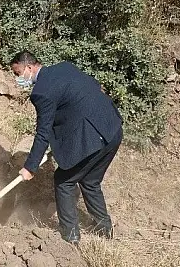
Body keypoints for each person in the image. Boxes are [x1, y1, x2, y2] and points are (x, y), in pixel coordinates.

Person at [10, 50, 123, 244]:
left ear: (29, 67)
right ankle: (105, 231)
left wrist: (30, 167)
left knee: (64, 180)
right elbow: (94, 88)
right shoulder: (65, 67)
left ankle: (70, 237)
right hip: (113, 128)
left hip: (95, 137)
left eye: (18, 73)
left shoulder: (41, 92)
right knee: (90, 181)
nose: (19, 79)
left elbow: (43, 132)